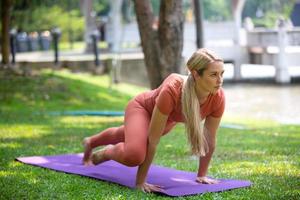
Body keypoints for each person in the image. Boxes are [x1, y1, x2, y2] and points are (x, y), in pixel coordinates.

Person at [82, 48, 225, 193]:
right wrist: (140, 182)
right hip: (142, 108)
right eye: (214, 75)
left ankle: (90, 141)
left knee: (124, 133)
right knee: (135, 155)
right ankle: (107, 152)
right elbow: (153, 141)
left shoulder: (218, 97)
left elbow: (209, 139)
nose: (220, 80)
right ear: (196, 74)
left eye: (222, 74)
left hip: (167, 120)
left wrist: (202, 175)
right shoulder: (173, 89)